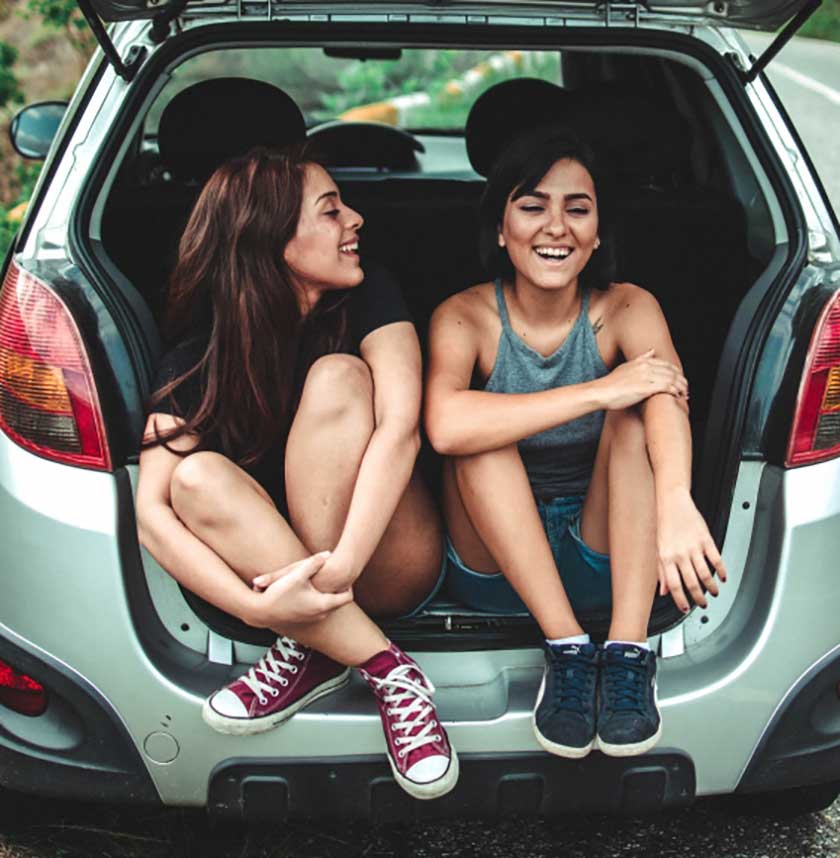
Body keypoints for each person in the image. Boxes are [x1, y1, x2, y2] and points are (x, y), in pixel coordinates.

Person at [135, 145, 457, 800]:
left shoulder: (373, 300)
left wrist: (333, 576)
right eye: (332, 211)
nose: (356, 220)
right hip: (286, 588)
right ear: (275, 239)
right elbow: (151, 515)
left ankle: (313, 645)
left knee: (339, 376)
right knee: (191, 479)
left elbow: (402, 431)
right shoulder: (198, 357)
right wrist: (261, 607)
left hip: (388, 557)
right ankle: (385, 668)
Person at [425, 127, 727, 760]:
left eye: (577, 209)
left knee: (638, 416)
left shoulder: (628, 306)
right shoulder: (464, 316)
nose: (555, 227)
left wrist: (675, 504)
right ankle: (566, 649)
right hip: (495, 566)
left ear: (597, 235)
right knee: (482, 433)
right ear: (502, 229)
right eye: (533, 206)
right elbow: (446, 427)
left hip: (608, 559)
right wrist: (598, 390)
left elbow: (668, 396)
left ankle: (624, 651)